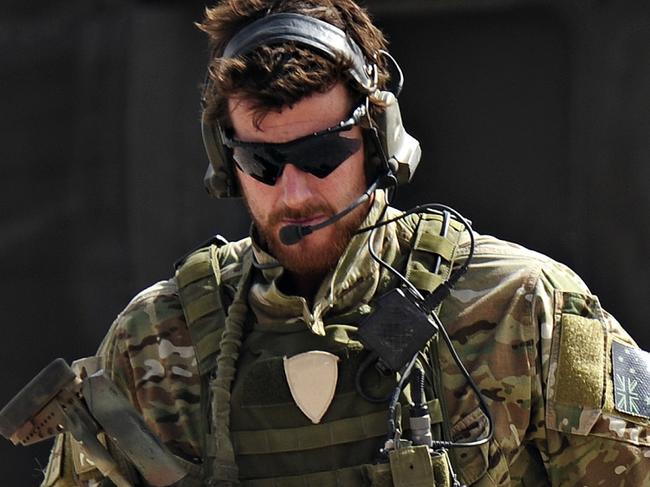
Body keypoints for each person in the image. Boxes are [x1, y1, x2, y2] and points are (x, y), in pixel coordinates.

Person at [39, 0, 650, 485]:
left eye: (322, 154)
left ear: (380, 140)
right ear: (224, 163)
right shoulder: (153, 346)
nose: (296, 192)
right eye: (263, 161)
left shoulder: (521, 306)